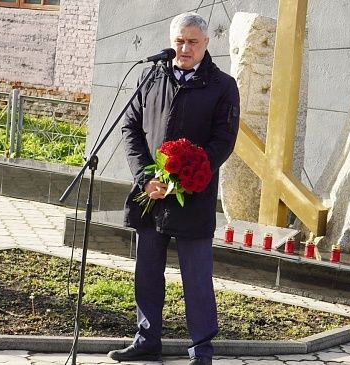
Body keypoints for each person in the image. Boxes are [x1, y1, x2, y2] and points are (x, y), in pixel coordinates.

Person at [107, 12, 240, 365]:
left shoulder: (222, 85)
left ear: (207, 44)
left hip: (192, 197)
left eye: (193, 42)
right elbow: (130, 128)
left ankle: (201, 350)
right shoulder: (151, 75)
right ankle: (147, 338)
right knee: (147, 272)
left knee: (196, 278)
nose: (184, 48)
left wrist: (179, 180)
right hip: (150, 196)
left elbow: (223, 141)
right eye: (179, 40)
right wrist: (144, 177)